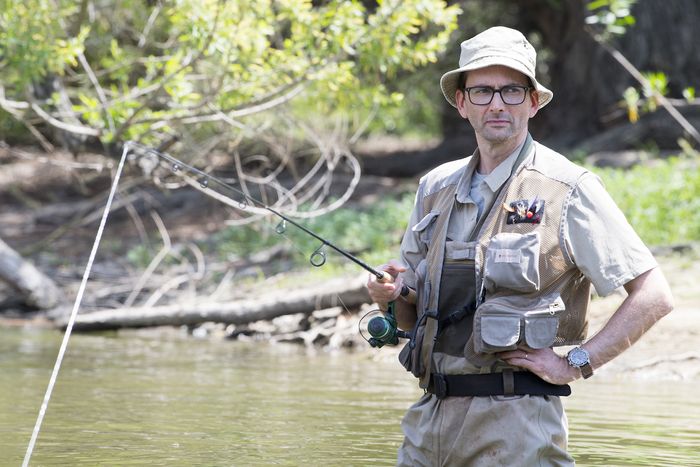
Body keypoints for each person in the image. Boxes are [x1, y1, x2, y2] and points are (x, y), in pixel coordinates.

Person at [366, 26, 674, 466]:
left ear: (533, 102)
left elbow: (654, 295)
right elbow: (410, 312)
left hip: (518, 429)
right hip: (427, 423)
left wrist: (576, 362)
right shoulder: (434, 188)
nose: (496, 103)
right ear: (462, 102)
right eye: (483, 91)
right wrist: (392, 295)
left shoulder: (567, 187)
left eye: (511, 91)